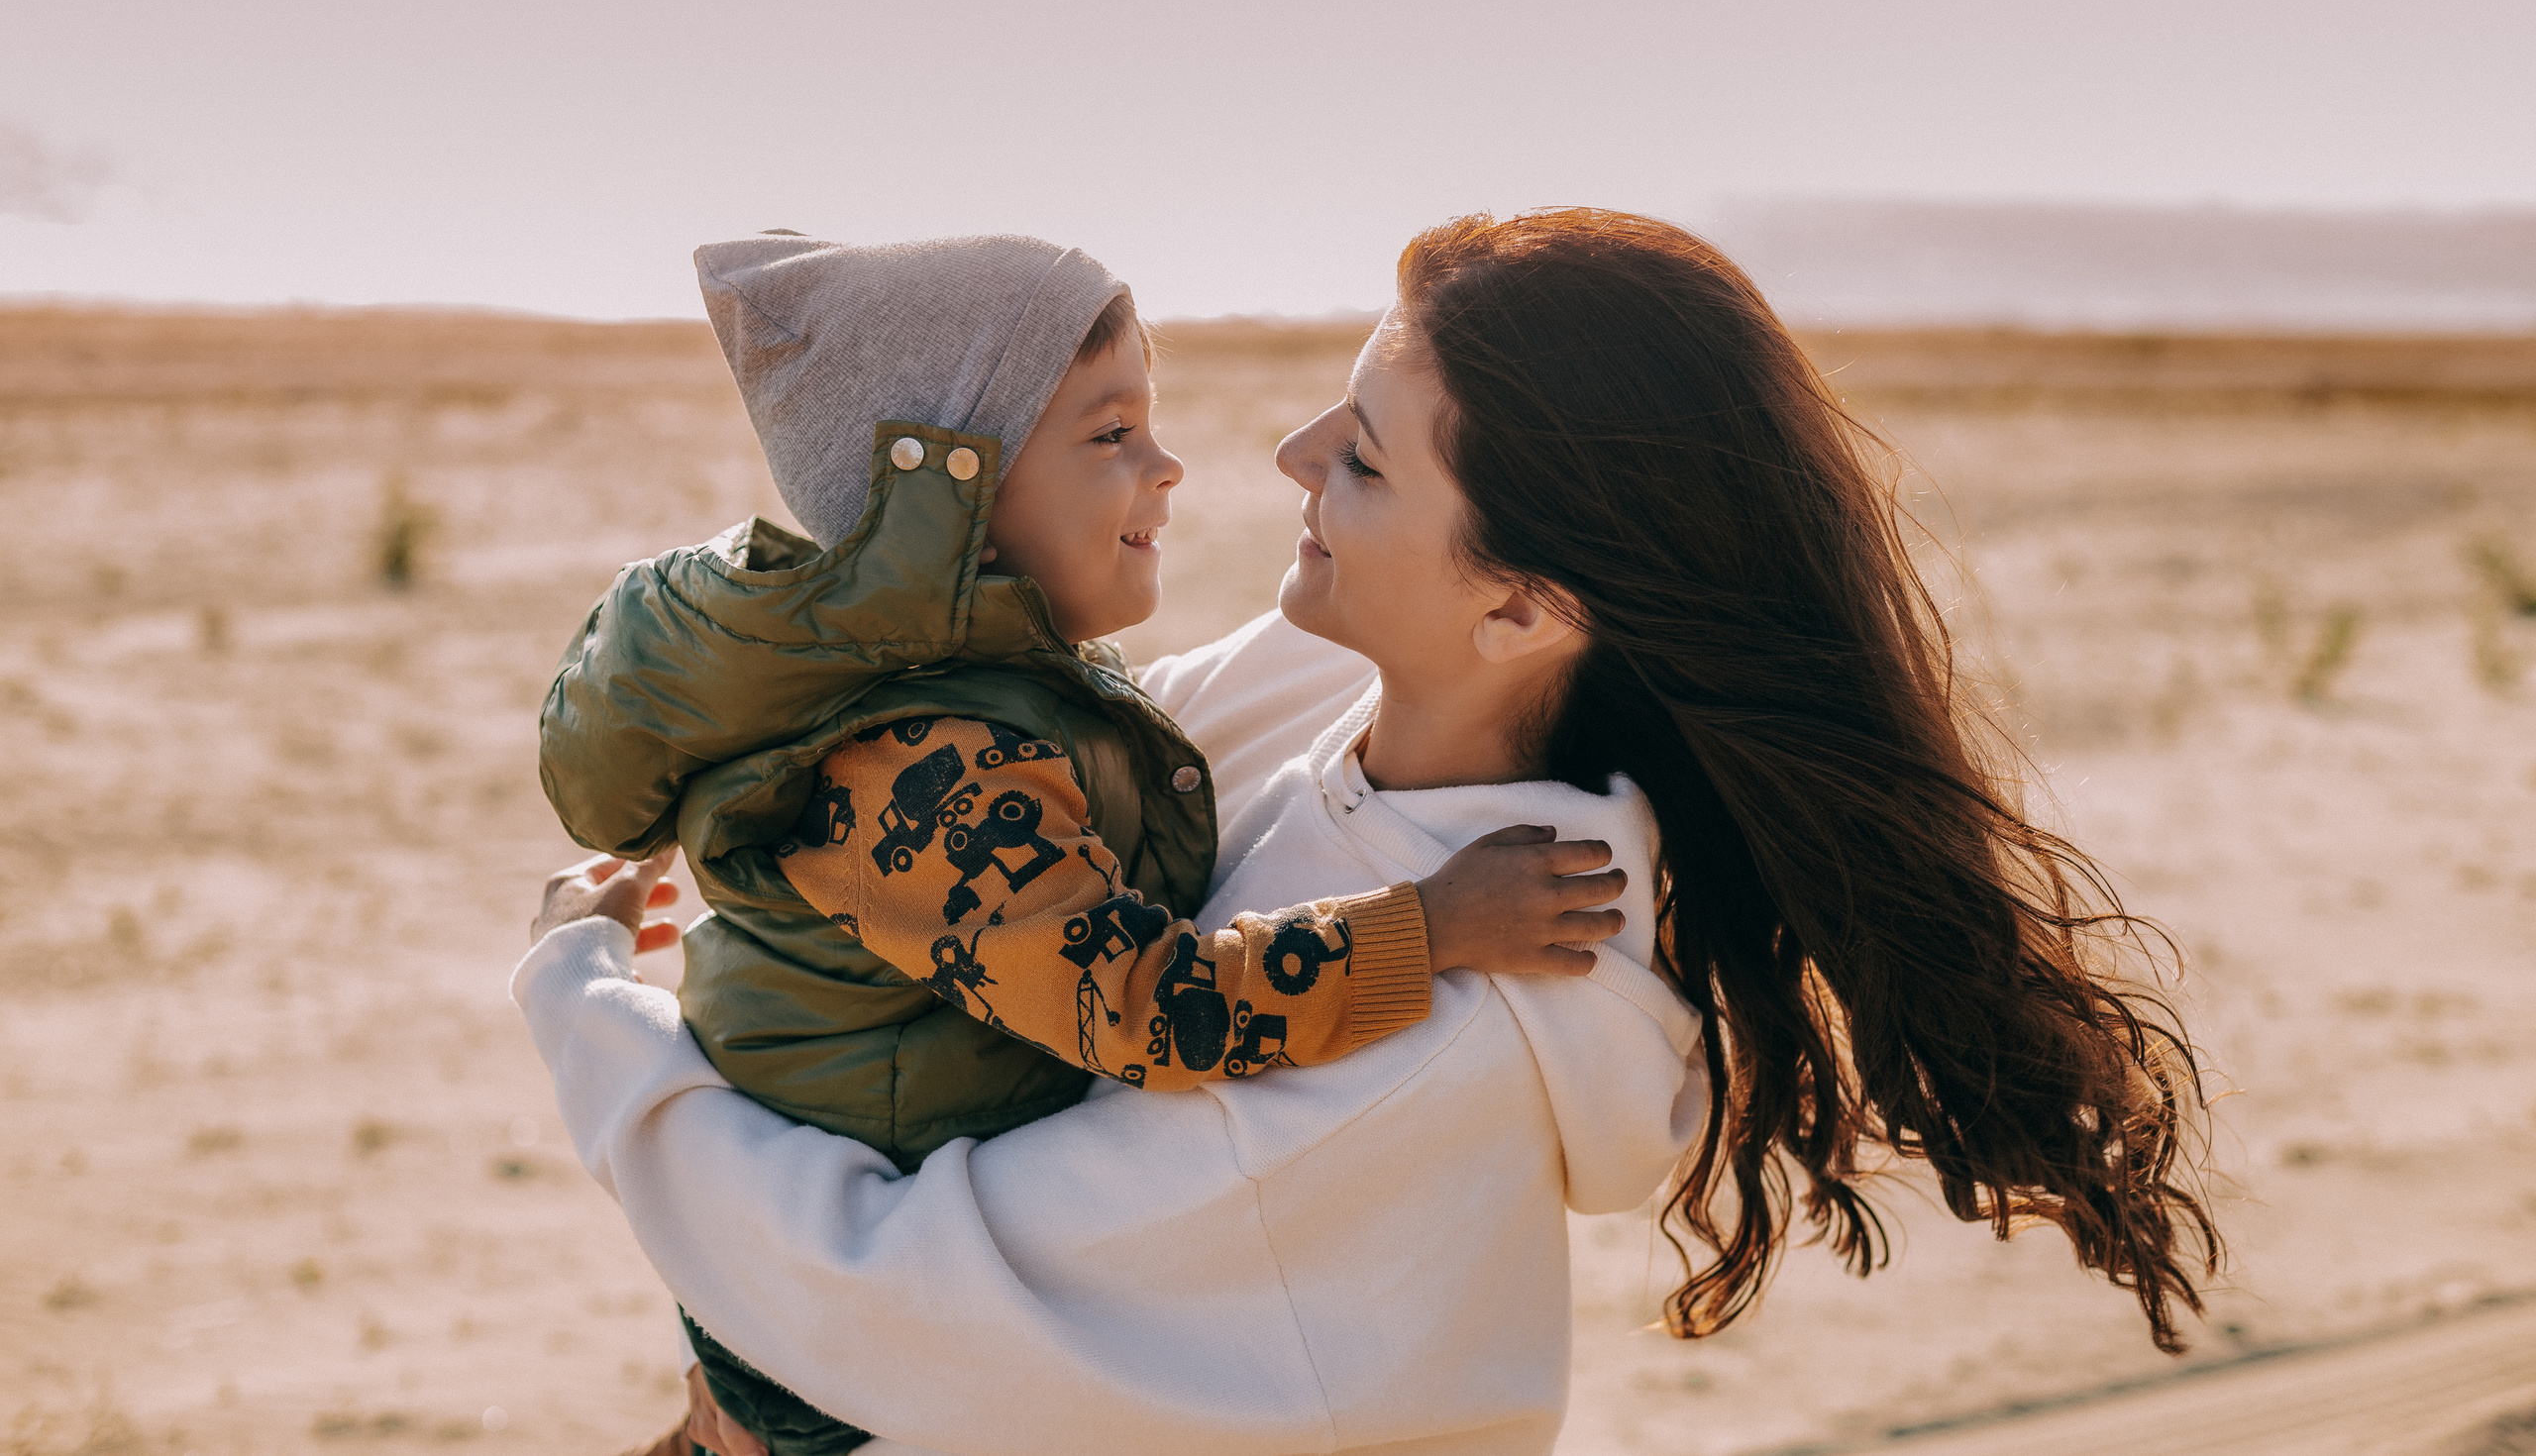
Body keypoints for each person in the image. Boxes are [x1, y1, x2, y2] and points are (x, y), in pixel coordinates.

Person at [520, 209, 2219, 1456]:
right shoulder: (1326, 707)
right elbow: (1017, 747)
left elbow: (877, 1289)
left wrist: (588, 1010)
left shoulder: (1420, 1041)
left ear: (1524, 610)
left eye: (1370, 462)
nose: (1284, 454)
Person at [539, 232, 1621, 1452]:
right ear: (945, 505)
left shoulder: (1006, 691)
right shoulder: (925, 774)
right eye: (1110, 437)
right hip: (836, 1390)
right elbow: (1152, 1010)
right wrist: (1426, 929)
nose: (1168, 468)